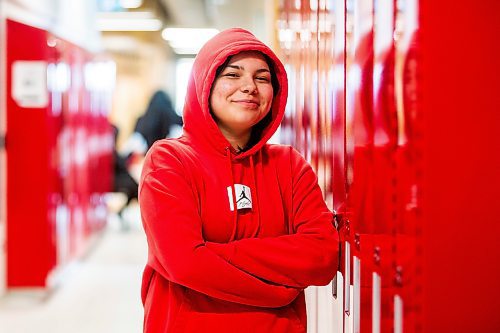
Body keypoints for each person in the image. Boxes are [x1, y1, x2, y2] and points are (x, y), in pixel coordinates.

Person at [139, 28, 339, 333]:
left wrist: (212, 254)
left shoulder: (289, 165)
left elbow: (322, 255)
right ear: (205, 83)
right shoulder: (168, 160)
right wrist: (280, 285)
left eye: (262, 78)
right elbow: (185, 262)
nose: (250, 87)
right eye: (233, 75)